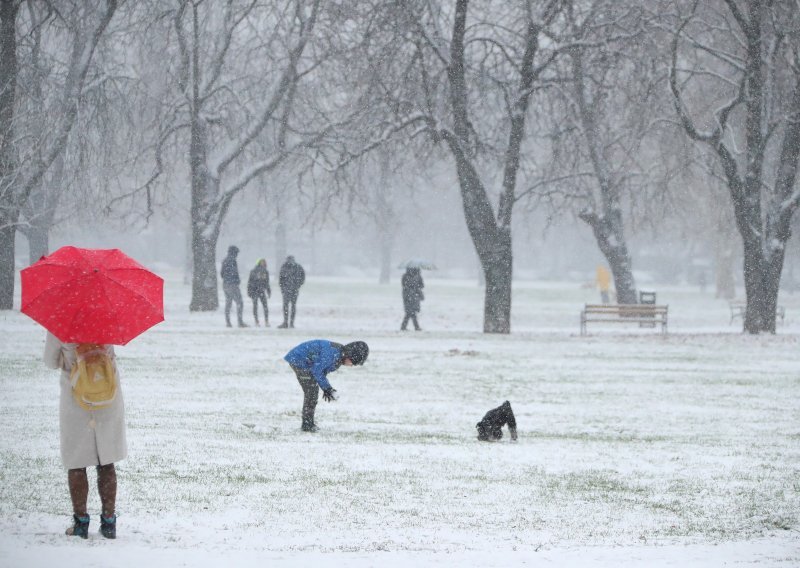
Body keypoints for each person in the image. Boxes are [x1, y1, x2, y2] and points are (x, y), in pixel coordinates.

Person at [43, 332, 126, 539]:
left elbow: (51, 362)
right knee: (106, 460)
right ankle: (108, 522)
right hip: (107, 394)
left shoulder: (61, 323)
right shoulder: (106, 318)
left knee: (76, 462)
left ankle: (81, 522)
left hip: (76, 397)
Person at [284, 339, 369, 432]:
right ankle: (307, 425)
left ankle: (308, 423)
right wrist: (327, 388)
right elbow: (317, 371)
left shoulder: (338, 356)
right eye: (353, 362)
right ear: (350, 356)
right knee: (311, 392)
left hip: (308, 363)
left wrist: (326, 389)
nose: (352, 365)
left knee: (313, 391)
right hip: (299, 360)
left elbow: (321, 372)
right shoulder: (332, 355)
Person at [221, 245, 247, 328]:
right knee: (240, 303)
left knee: (228, 303)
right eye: (236, 253)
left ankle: (228, 322)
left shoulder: (224, 260)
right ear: (234, 252)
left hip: (225, 284)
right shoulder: (232, 260)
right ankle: (240, 322)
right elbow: (234, 272)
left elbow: (222, 273)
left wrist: (226, 279)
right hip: (233, 285)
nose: (237, 255)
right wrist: (237, 280)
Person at [278, 255, 305, 328]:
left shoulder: (286, 267)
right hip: (292, 290)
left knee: (287, 306)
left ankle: (287, 322)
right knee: (291, 306)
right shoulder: (297, 267)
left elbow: (281, 279)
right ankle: (290, 323)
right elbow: (281, 279)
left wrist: (283, 287)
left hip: (289, 290)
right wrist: (298, 285)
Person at [247, 258, 271, 326]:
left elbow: (267, 283)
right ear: (259, 263)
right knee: (256, 306)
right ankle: (257, 321)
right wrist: (249, 291)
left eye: (264, 262)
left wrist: (268, 291)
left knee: (264, 306)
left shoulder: (265, 271)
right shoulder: (254, 271)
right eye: (262, 262)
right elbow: (250, 282)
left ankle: (265, 321)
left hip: (261, 291)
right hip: (255, 291)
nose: (263, 263)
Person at [401, 267, 425, 331]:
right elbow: (422, 286)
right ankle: (415, 327)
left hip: (407, 295)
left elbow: (403, 285)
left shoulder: (405, 276)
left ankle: (405, 327)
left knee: (410, 312)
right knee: (412, 312)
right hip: (414, 296)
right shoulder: (418, 276)